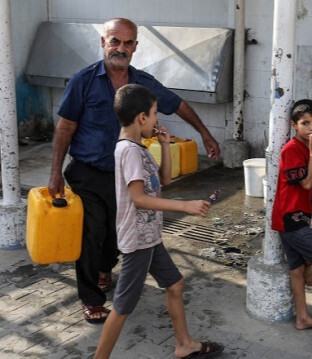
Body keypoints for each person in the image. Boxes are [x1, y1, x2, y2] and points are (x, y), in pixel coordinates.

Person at [48, 18, 221, 323]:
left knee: (118, 233)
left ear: (136, 47)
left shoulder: (142, 83)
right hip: (89, 172)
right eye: (115, 41)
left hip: (127, 175)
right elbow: (66, 127)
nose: (121, 48)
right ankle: (91, 297)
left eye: (128, 43)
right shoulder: (83, 80)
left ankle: (105, 267)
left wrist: (205, 133)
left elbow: (177, 103)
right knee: (92, 233)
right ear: (103, 42)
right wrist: (55, 172)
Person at [93, 84, 223, 359]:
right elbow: (139, 198)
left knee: (175, 284)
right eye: (153, 114)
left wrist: (164, 146)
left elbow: (164, 180)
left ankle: (184, 344)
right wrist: (184, 206)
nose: (156, 120)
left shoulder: (139, 148)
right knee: (122, 307)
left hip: (150, 237)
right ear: (141, 117)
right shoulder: (128, 151)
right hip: (138, 241)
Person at [271, 99, 312, 330]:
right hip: (289, 218)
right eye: (305, 123)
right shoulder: (292, 149)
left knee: (296, 271)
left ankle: (302, 317)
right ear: (293, 125)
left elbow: (306, 185)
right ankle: (309, 264)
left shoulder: (303, 148)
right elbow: (306, 183)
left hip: (299, 214)